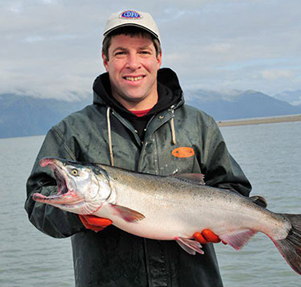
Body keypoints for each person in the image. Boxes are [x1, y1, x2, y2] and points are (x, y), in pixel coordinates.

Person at [25, 9, 251, 287]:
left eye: (143, 52)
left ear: (158, 58)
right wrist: (78, 219)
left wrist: (221, 224)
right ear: (105, 60)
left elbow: (233, 188)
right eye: (121, 53)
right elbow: (37, 203)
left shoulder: (199, 125)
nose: (133, 64)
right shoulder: (71, 131)